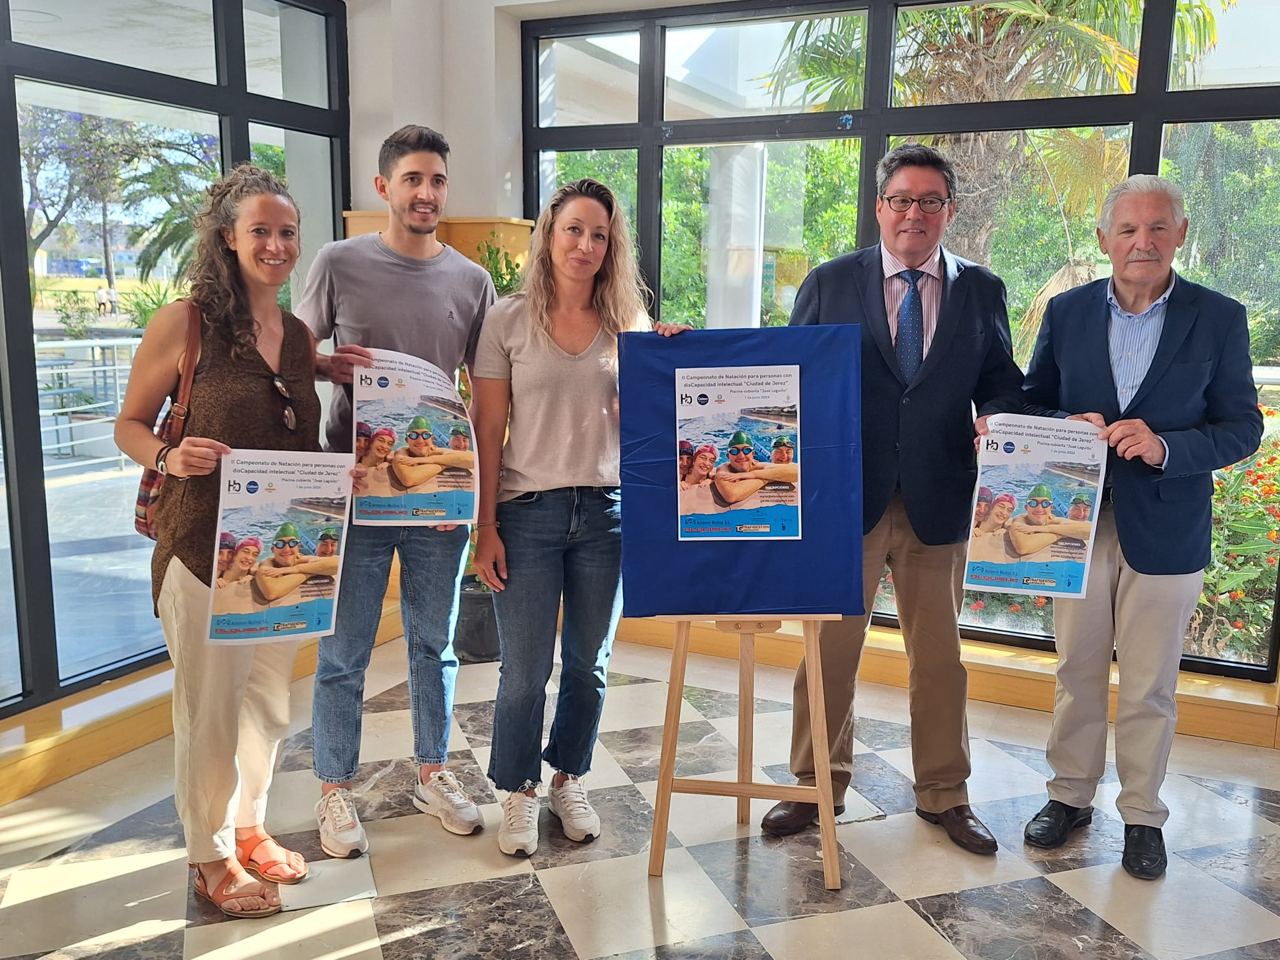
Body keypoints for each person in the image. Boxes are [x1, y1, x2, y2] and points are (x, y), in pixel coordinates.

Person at [767, 143, 1024, 854]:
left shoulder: (982, 290)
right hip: (845, 501)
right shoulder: (829, 282)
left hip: (941, 501)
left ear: (949, 210)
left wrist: (997, 418)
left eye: (930, 201)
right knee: (828, 654)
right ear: (879, 207)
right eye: (902, 200)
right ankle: (814, 783)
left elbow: (1005, 381)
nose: (914, 213)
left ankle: (945, 793)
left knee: (940, 660)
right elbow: (786, 381)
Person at [1021, 174, 1262, 879]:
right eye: (1127, 230)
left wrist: (1166, 447)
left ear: (1180, 235)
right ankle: (1069, 796)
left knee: (1152, 682)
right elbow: (1033, 404)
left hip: (1169, 525)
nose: (1143, 242)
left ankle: (1142, 814)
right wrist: (1064, 426)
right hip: (1073, 522)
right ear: (1104, 240)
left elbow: (1243, 426)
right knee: (1076, 670)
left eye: (1158, 228)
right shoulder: (1066, 314)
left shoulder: (1219, 317)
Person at [114, 164, 320, 918]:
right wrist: (169, 456)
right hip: (200, 548)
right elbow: (129, 424)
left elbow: (293, 441)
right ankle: (208, 853)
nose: (275, 244)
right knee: (210, 707)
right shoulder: (185, 322)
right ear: (229, 238)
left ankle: (249, 824)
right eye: (259, 230)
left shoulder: (296, 337)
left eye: (287, 231)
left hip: (277, 559)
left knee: (266, 703)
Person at [470, 177, 683, 858]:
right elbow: (486, 428)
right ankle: (517, 791)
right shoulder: (506, 321)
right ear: (548, 234)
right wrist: (485, 528)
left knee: (589, 664)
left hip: (605, 514)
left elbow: (647, 426)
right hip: (525, 514)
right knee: (525, 669)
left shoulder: (632, 328)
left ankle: (567, 777)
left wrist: (669, 360)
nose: (585, 244)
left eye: (599, 234)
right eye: (573, 229)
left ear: (611, 246)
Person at [297, 124, 495, 856]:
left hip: (436, 499)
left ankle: (434, 772)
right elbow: (294, 355)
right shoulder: (338, 262)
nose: (426, 193)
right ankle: (334, 789)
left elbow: (485, 392)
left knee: (433, 645)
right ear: (383, 187)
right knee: (344, 648)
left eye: (437, 180)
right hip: (353, 492)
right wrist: (330, 368)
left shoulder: (472, 281)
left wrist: (467, 489)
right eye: (412, 179)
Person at [255, 522, 339, 602]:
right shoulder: (267, 563)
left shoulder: (301, 559)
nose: (286, 549)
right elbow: (271, 592)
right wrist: (311, 571)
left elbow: (337, 563)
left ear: (298, 547)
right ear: (273, 549)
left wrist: (296, 569)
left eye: (292, 543)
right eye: (280, 544)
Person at [1006, 483, 1091, 557]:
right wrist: (1063, 533)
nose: (1039, 509)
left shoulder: (1052, 519)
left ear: (1051, 508)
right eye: (1033, 503)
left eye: (1045, 503)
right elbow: (1023, 547)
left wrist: (1047, 529)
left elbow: (1090, 530)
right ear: (1026, 508)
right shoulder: (1019, 520)